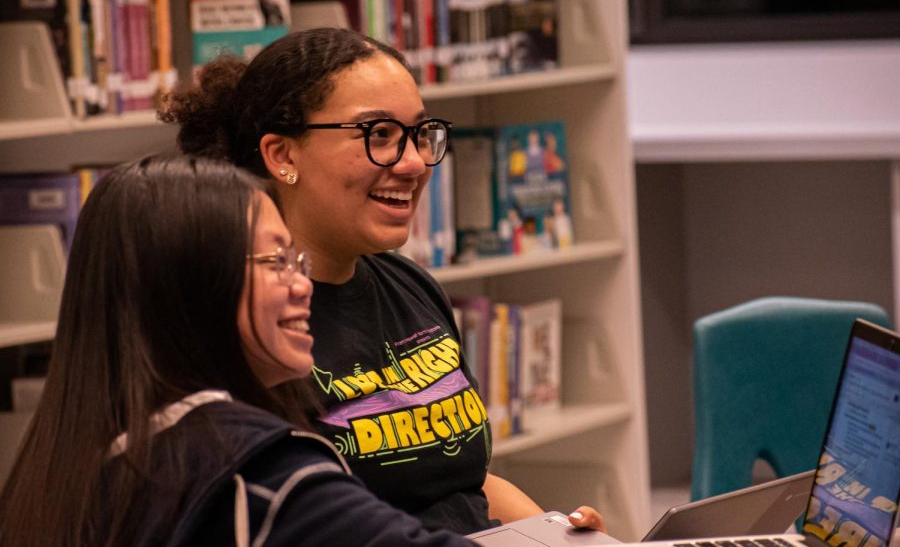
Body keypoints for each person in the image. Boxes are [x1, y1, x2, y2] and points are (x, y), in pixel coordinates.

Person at [161, 27, 606, 534]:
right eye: (379, 136)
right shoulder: (250, 320)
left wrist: (559, 533)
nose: (414, 163)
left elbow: (465, 481)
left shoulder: (408, 283)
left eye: (418, 134)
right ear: (283, 155)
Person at [0, 154, 476, 546]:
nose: (302, 284)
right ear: (191, 287)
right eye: (276, 262)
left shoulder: (55, 468)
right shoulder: (259, 476)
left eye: (296, 260)